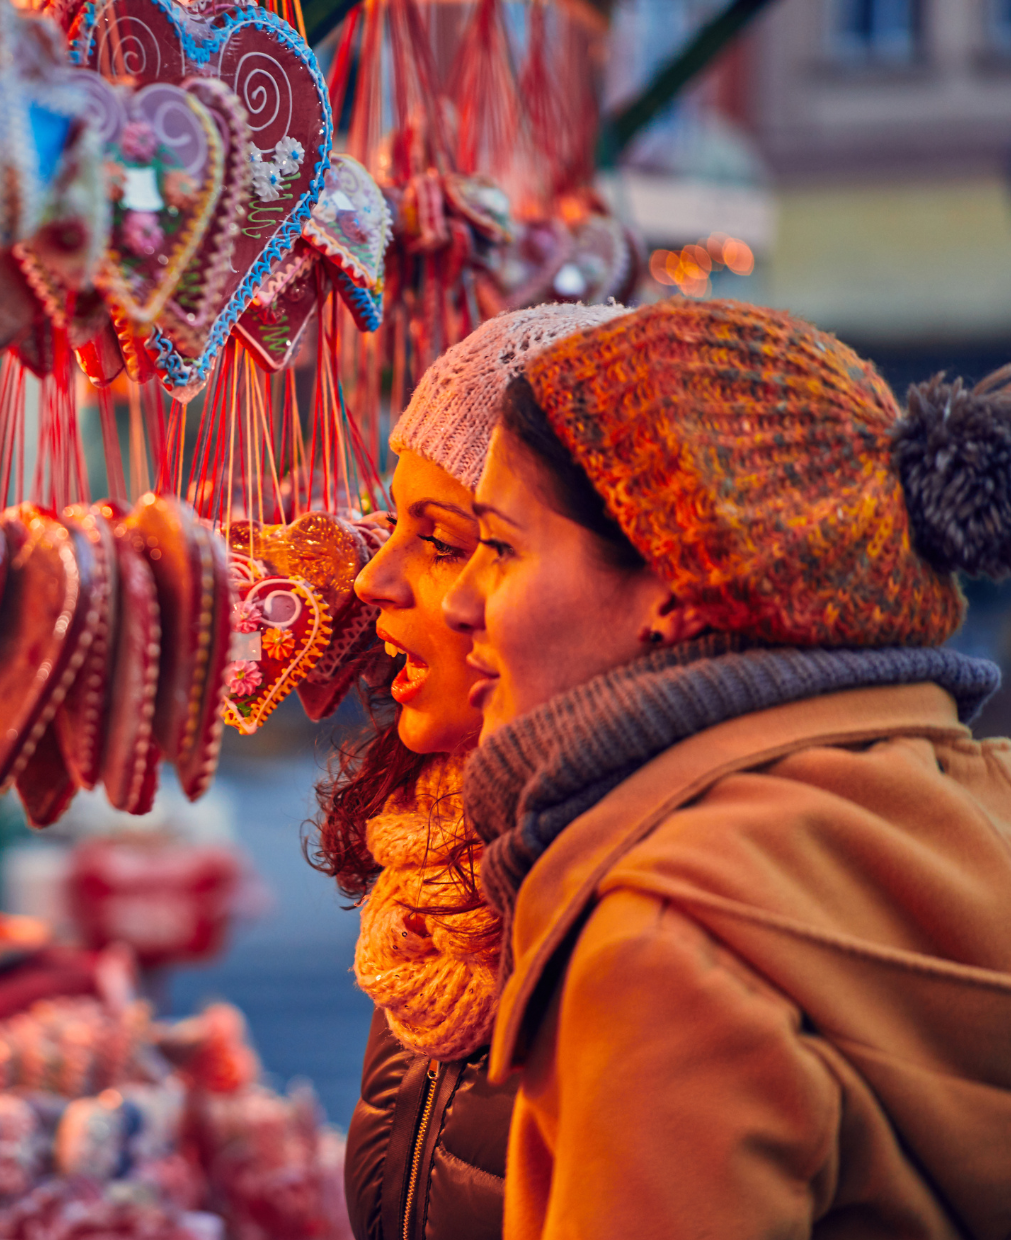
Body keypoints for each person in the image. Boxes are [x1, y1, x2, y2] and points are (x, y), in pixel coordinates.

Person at [440, 297, 1011, 1238]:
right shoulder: (966, 800)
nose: (462, 601)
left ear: (676, 588)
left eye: (498, 547)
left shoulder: (666, 948)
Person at [314, 303, 626, 1240]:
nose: (375, 581)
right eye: (395, 525)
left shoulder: (625, 912)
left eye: (450, 542)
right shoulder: (430, 894)